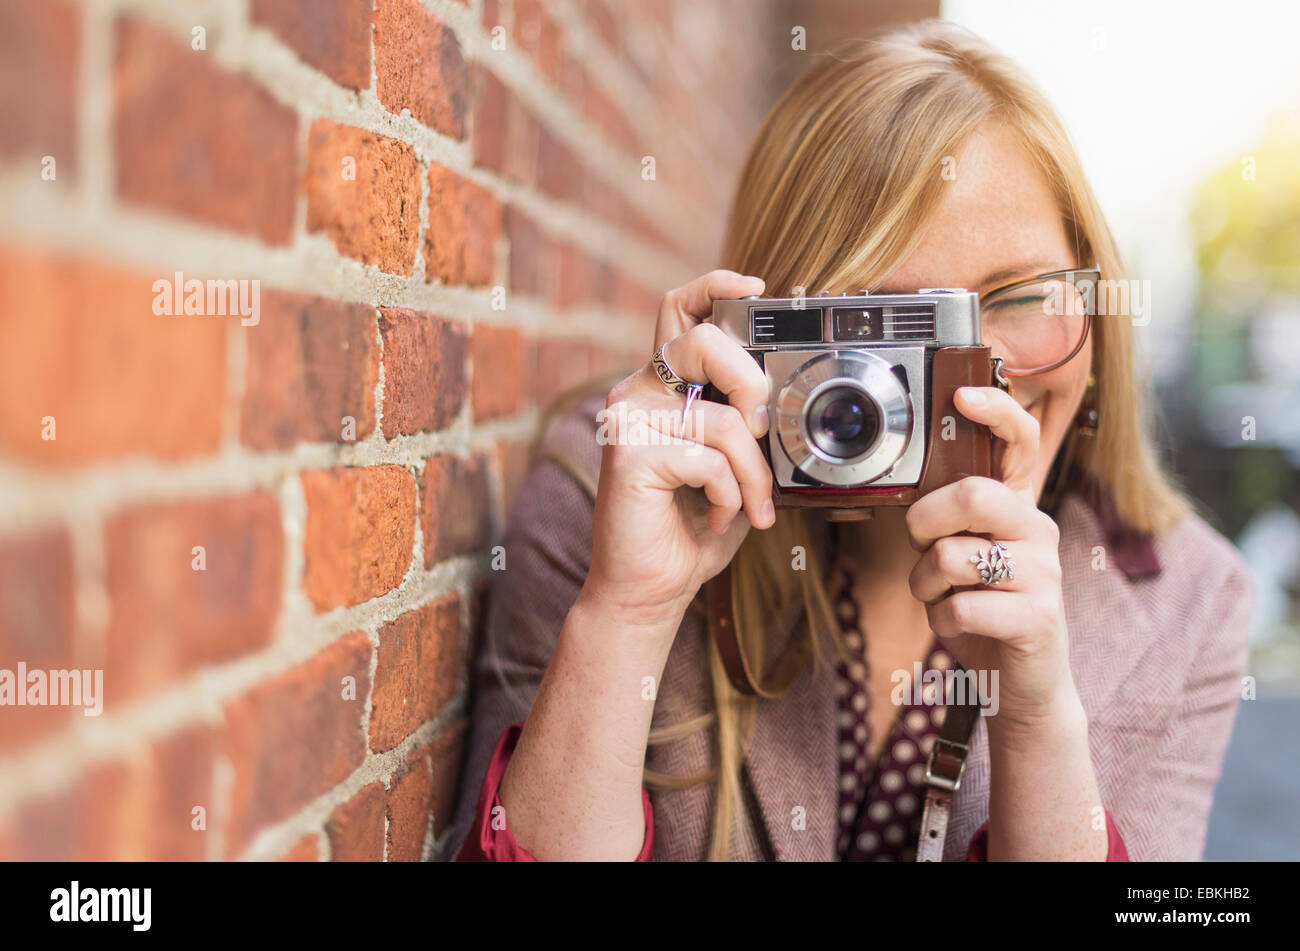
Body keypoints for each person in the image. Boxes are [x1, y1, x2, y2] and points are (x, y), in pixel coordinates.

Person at [448, 19, 1253, 861]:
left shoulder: (1190, 601)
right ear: (771, 333)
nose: (982, 376)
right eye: (897, 326)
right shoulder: (608, 495)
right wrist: (624, 615)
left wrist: (1037, 715)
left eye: (1019, 296)